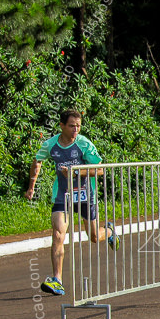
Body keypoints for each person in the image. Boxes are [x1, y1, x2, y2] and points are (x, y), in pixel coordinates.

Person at [24, 110, 119, 296]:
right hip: (62, 195)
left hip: (85, 196)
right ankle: (57, 280)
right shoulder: (51, 145)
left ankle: (109, 231)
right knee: (59, 234)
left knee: (93, 237)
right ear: (61, 126)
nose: (76, 129)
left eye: (78, 126)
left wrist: (76, 172)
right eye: (71, 125)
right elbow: (37, 161)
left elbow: (99, 170)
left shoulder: (84, 144)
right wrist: (31, 187)